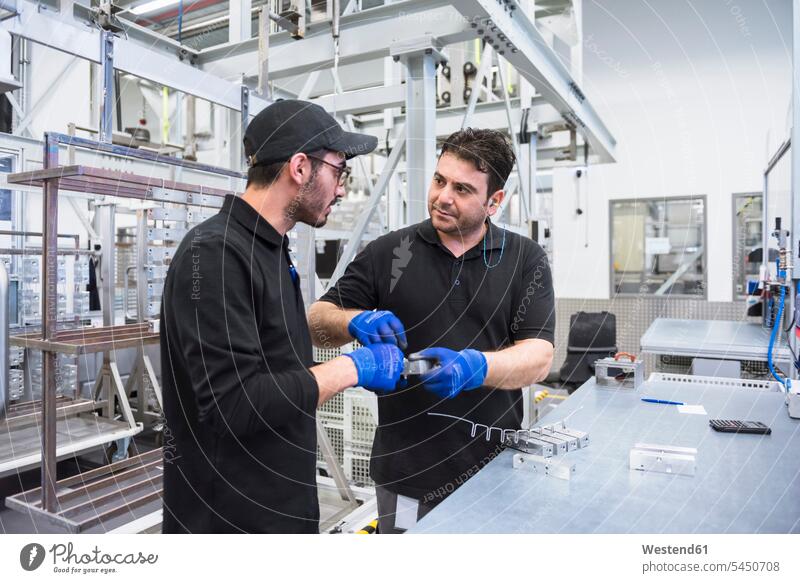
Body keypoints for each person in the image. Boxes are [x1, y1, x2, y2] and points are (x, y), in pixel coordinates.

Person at [160, 100, 404, 533]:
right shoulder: (215, 254)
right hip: (229, 523)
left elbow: (281, 374)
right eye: (338, 170)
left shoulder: (271, 250)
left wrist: (349, 328)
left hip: (279, 505)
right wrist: (351, 368)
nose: (342, 188)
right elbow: (236, 403)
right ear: (299, 168)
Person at [308, 128, 555, 533]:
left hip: (494, 470)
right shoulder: (391, 252)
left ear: (494, 201)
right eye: (440, 180)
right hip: (405, 474)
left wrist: (473, 368)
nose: (443, 196)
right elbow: (316, 321)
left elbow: (539, 357)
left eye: (462, 189)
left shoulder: (524, 259)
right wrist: (350, 321)